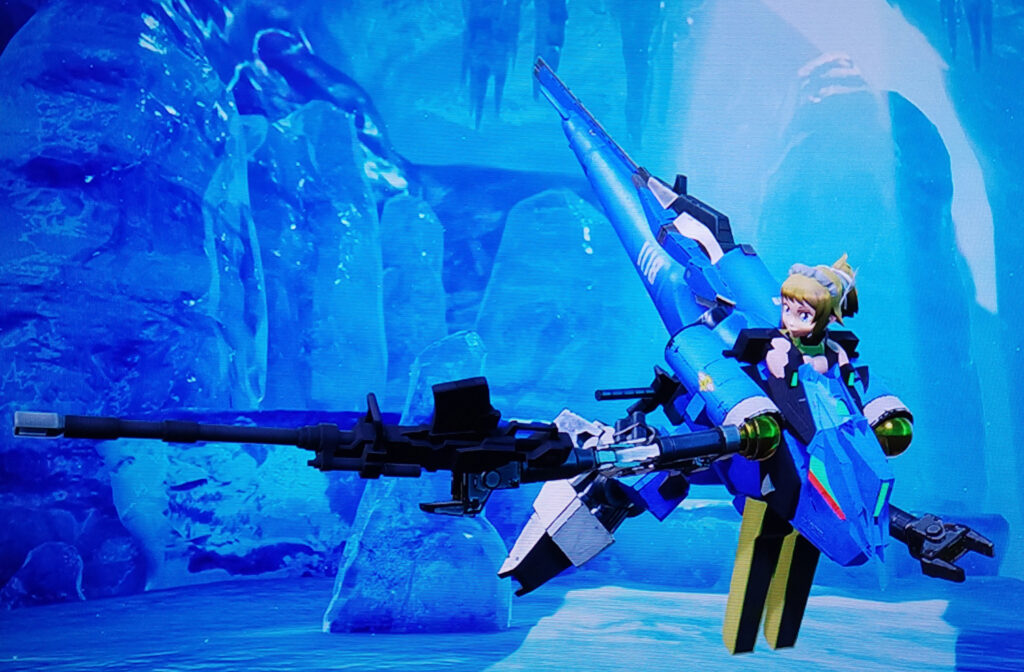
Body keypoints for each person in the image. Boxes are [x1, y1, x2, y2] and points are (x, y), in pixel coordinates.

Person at [765, 254, 857, 380]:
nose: (791, 322)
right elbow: (776, 352)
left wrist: (845, 368)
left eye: (804, 316)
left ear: (830, 318)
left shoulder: (825, 341)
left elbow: (839, 354)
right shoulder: (783, 340)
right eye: (787, 309)